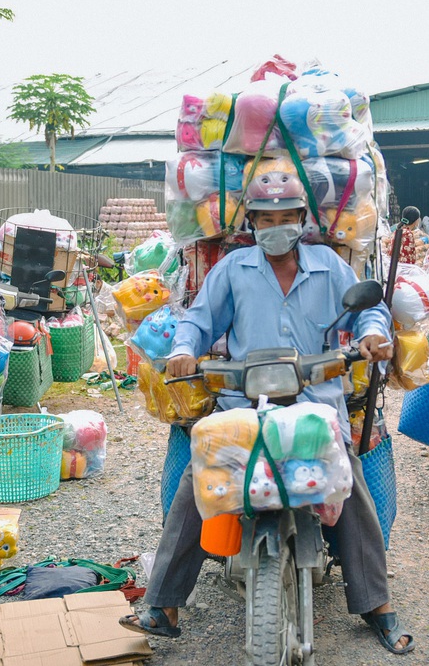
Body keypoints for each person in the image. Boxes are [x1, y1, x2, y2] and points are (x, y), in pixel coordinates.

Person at [119, 176, 414, 655]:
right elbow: (197, 319)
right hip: (244, 403)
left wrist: (373, 335)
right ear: (252, 224)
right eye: (266, 220)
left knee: (349, 478)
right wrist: (184, 349)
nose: (276, 228)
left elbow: (370, 312)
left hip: (314, 400)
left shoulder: (330, 266)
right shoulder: (233, 269)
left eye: (285, 219)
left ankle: (375, 602)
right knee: (201, 476)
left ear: (302, 221)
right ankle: (164, 603)